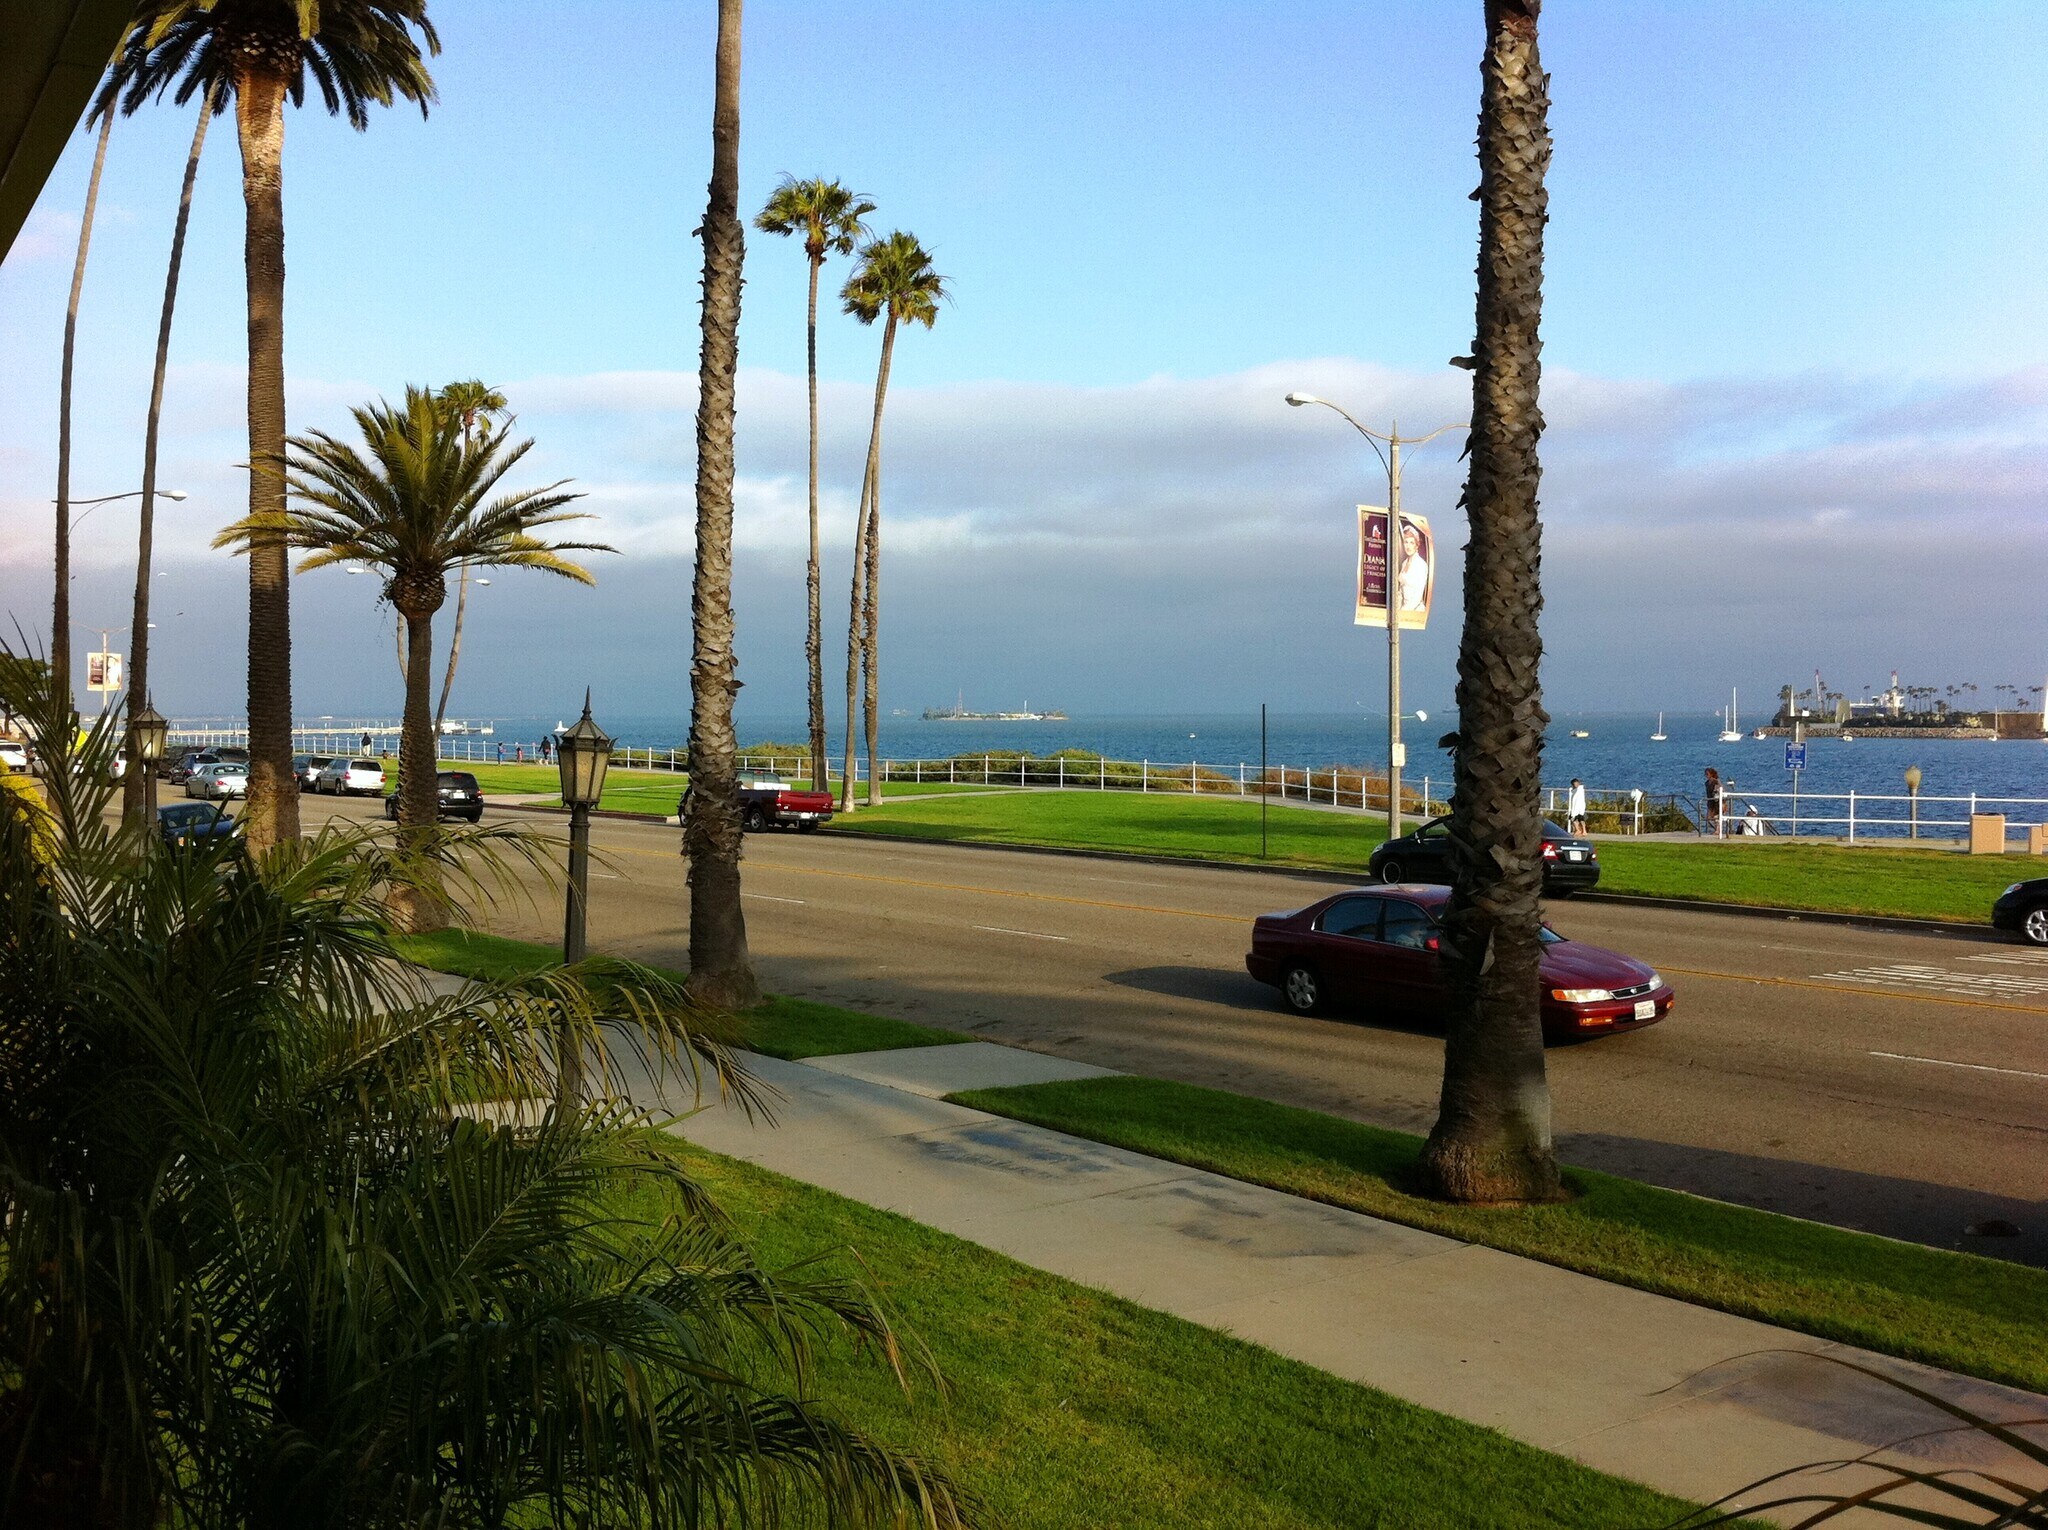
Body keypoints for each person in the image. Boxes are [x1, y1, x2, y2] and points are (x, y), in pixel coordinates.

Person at [1395, 518, 1430, 613]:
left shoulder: (1421, 565)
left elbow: (1418, 594)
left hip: (1414, 611)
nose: (1408, 546)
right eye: (1406, 542)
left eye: (1411, 542)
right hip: (1402, 610)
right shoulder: (1404, 563)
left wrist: (1403, 613)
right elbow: (1400, 591)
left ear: (1416, 545)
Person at [1704, 767, 1723, 835]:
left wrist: (1717, 790)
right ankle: (1716, 829)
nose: (1706, 775)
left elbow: (1720, 788)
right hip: (1710, 801)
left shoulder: (1716, 781)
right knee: (1709, 817)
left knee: (1716, 816)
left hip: (1716, 801)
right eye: (1705, 774)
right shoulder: (1706, 783)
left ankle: (1718, 830)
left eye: (1707, 774)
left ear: (1711, 774)